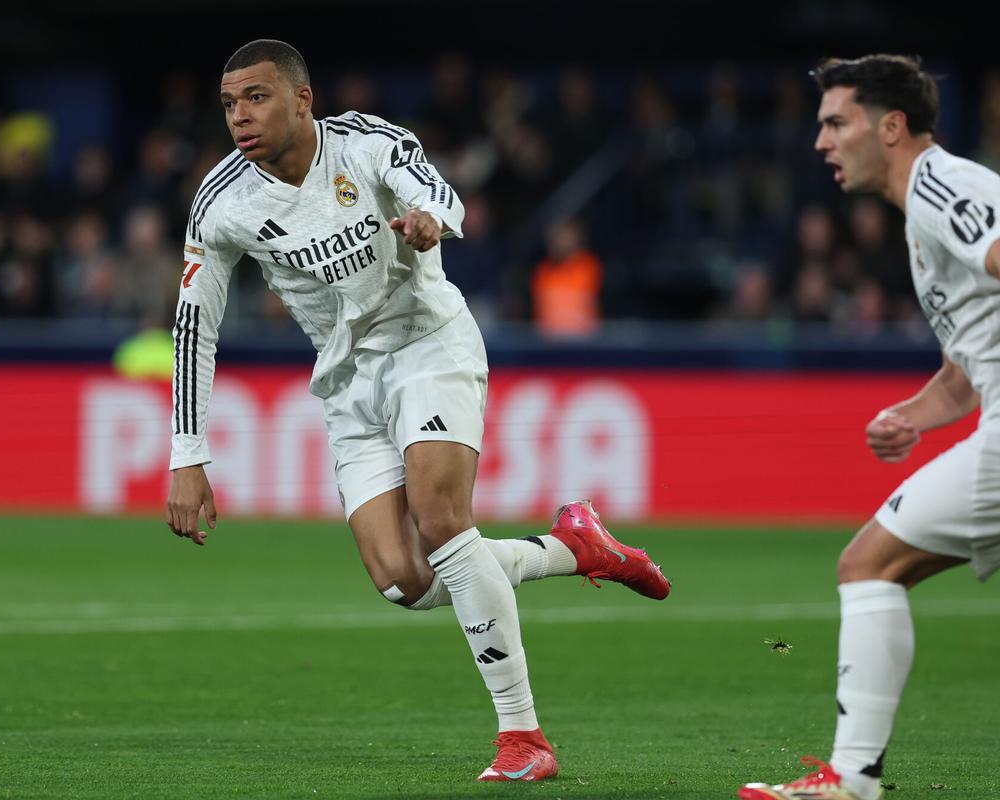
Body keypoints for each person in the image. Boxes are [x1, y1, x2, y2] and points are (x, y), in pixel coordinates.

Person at [164, 39, 671, 784]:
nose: (240, 116)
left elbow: (437, 189)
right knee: (405, 580)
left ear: (303, 99)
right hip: (346, 382)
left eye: (257, 96)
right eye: (230, 102)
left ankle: (522, 736)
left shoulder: (366, 143)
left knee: (441, 519)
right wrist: (187, 454)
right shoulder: (222, 203)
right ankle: (573, 548)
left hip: (429, 345)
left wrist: (432, 219)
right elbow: (194, 326)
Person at [740, 54, 1000, 800]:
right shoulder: (922, 214)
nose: (822, 142)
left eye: (837, 122)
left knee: (868, 565)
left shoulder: (943, 184)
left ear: (891, 127)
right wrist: (913, 416)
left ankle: (852, 779)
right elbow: (971, 366)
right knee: (877, 567)